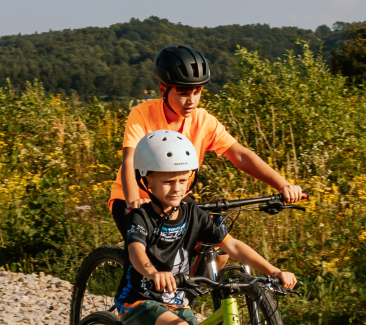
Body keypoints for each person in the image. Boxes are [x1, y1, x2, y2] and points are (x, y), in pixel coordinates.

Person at [117, 130, 296, 325]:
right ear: (147, 182)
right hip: (139, 300)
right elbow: (136, 251)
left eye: (183, 180)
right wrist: (153, 272)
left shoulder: (193, 214)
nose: (177, 188)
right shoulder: (141, 216)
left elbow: (233, 246)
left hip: (175, 302)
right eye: (168, 181)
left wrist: (273, 270)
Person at [107, 44, 305, 241]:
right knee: (152, 257)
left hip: (176, 197)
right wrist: (134, 201)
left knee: (217, 247)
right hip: (135, 198)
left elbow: (241, 156)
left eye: (197, 91)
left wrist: (283, 185)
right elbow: (129, 160)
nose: (191, 100)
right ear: (163, 90)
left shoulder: (203, 121)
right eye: (183, 92)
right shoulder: (142, 114)